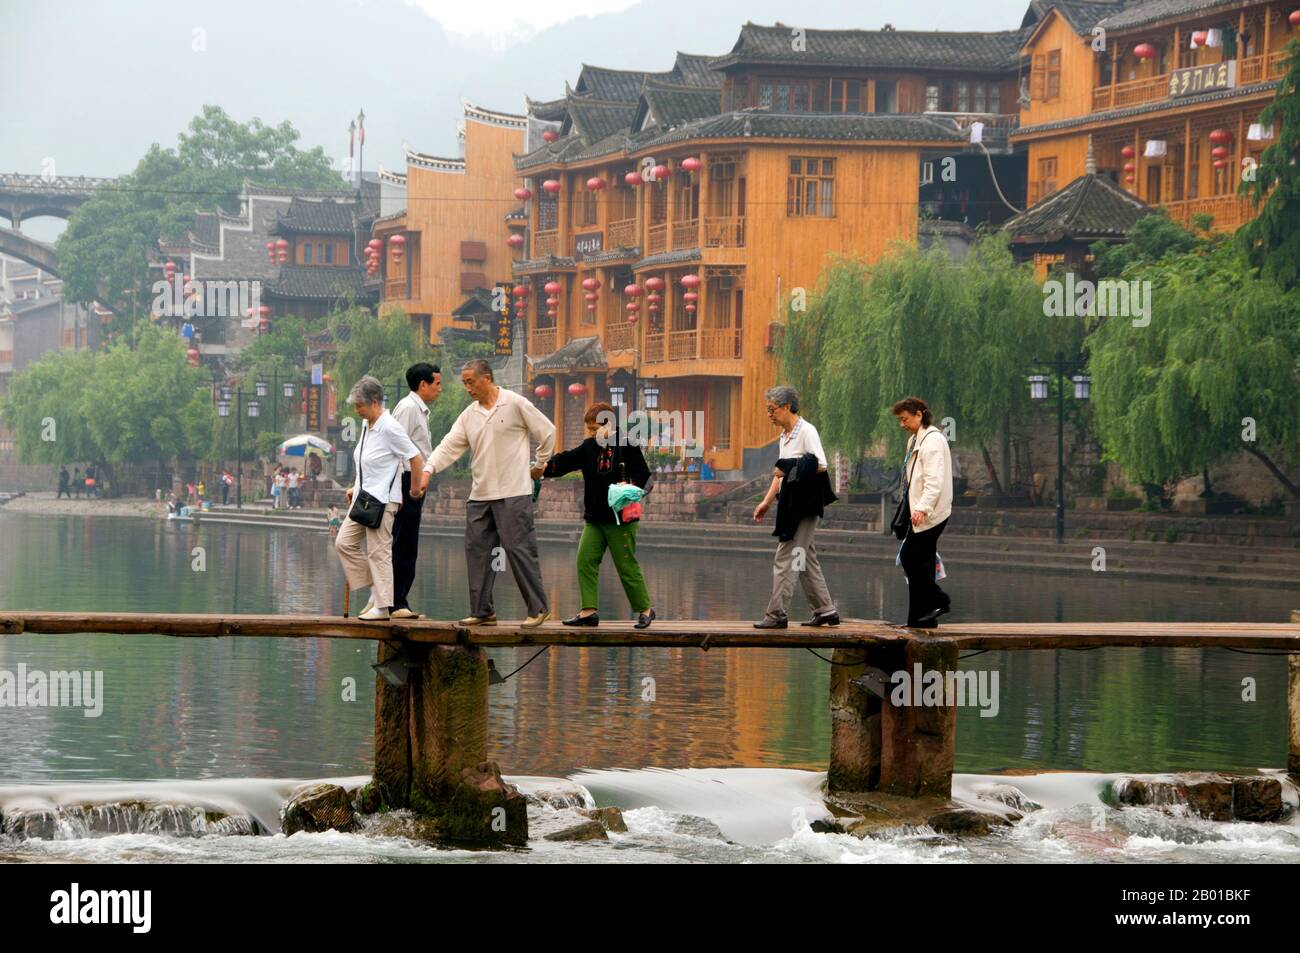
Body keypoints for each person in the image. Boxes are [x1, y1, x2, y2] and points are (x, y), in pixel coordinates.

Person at [422, 359, 554, 628]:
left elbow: (547, 432)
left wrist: (540, 464)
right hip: (480, 495)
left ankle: (538, 609)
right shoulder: (469, 415)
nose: (468, 388)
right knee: (478, 552)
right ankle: (482, 611)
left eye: (471, 382)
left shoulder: (515, 403)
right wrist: (428, 469)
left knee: (518, 549)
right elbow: (449, 445)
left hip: (513, 492)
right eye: (464, 383)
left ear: (487, 378)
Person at [543, 401, 655, 629]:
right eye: (590, 430)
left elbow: (644, 475)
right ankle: (588, 612)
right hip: (594, 519)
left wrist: (628, 487)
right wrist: (540, 468)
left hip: (620, 519)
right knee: (585, 560)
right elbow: (564, 461)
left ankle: (645, 609)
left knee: (626, 565)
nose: (592, 434)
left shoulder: (626, 445)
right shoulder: (589, 447)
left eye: (595, 429)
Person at [335, 375, 425, 621]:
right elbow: (364, 461)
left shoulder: (389, 426)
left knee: (379, 552)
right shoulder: (368, 425)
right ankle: (376, 587)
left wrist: (415, 490)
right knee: (343, 543)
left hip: (383, 501)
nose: (357, 410)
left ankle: (383, 607)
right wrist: (356, 486)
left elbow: (415, 458)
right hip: (363, 498)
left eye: (359, 405)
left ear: (375, 401)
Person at [752, 386, 839, 629]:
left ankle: (776, 615)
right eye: (767, 410)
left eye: (772, 410)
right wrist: (766, 502)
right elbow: (779, 475)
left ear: (787, 407)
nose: (769, 414)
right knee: (805, 559)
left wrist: (789, 465)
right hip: (791, 504)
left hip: (807, 505)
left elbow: (821, 465)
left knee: (787, 556)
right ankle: (826, 610)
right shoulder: (785, 436)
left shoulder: (807, 431)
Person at [893, 396, 953, 628]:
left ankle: (939, 600)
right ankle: (920, 619)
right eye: (900, 420)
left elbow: (934, 481)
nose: (902, 424)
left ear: (919, 415)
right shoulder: (915, 440)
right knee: (923, 562)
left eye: (905, 419)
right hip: (919, 511)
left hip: (931, 513)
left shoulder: (933, 441)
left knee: (910, 557)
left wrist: (923, 508)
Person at [388, 362, 441, 619]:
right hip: (407, 481)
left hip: (414, 479)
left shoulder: (419, 410)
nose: (439, 389)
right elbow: (394, 446)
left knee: (408, 542)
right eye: (437, 383)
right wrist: (409, 485)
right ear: (423, 384)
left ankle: (399, 600)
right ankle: (395, 602)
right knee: (402, 542)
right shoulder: (408, 408)